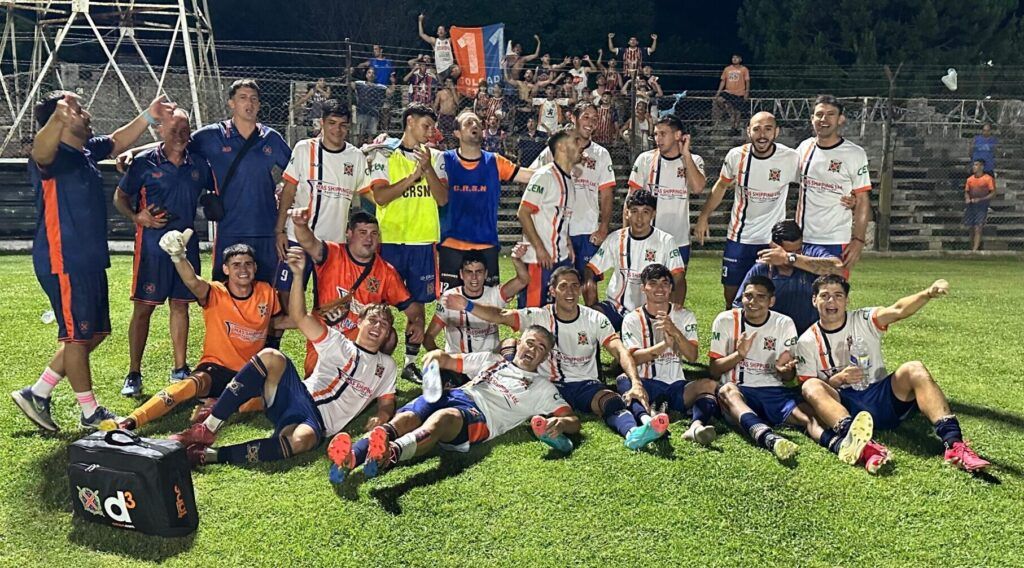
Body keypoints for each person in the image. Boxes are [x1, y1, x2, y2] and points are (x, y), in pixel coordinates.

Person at [11, 91, 175, 432]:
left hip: (89, 259)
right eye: (79, 109)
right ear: (60, 118)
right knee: (76, 337)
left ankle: (37, 392)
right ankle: (90, 412)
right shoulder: (51, 156)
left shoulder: (84, 151)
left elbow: (117, 140)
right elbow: (39, 150)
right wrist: (57, 117)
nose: (87, 114)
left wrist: (150, 114)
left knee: (95, 333)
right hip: (64, 259)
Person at [169, 248, 398, 467]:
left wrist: (381, 415)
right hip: (296, 395)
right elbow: (299, 316)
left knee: (300, 441)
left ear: (388, 333)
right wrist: (298, 276)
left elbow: (387, 403)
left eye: (384, 325)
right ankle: (207, 428)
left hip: (317, 422)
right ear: (359, 322)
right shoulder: (337, 342)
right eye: (373, 321)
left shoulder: (387, 366)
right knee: (271, 356)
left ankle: (208, 456)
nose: (377, 327)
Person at [445, 266, 666, 451]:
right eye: (563, 286)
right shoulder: (540, 315)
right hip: (547, 384)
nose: (570, 291)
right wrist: (467, 305)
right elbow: (501, 316)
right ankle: (545, 424)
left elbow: (619, 351)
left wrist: (635, 382)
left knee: (609, 400)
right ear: (552, 291)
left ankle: (633, 433)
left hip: (584, 385)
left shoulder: (594, 319)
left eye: (575, 286)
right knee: (509, 344)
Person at [326, 325, 577, 482]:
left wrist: (561, 424)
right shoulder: (492, 360)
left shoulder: (542, 388)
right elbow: (445, 359)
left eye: (541, 348)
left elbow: (572, 420)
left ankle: (389, 453)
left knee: (443, 418)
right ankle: (350, 459)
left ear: (545, 357)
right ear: (519, 342)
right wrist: (433, 360)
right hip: (456, 395)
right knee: (406, 418)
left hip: (480, 417)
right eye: (530, 342)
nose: (532, 350)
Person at [796, 274, 990, 473]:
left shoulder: (864, 319)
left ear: (847, 300)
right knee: (810, 385)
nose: (831, 301)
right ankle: (861, 443)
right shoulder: (806, 341)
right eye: (825, 295)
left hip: (881, 397)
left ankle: (954, 444)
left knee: (914, 368)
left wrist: (928, 293)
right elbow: (811, 393)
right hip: (845, 406)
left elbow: (898, 310)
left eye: (838, 295)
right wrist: (837, 379)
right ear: (814, 300)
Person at [101, 238, 285, 432]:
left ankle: (218, 405)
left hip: (249, 370)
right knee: (191, 384)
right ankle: (130, 421)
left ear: (255, 267)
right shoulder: (216, 292)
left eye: (248, 264)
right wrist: (178, 256)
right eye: (236, 265)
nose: (243, 269)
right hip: (216, 367)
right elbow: (192, 281)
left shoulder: (266, 292)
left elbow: (279, 321)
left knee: (269, 397)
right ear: (226, 269)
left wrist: (306, 318)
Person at [113, 108, 212, 396]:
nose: (180, 136)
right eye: (173, 131)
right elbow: (120, 196)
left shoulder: (199, 163)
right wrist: (136, 216)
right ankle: (134, 372)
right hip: (151, 248)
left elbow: (215, 189)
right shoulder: (144, 162)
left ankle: (180, 369)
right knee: (143, 308)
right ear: (160, 130)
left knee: (181, 305)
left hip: (185, 246)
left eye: (185, 131)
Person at [711, 276, 835, 461]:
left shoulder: (784, 323)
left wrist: (784, 370)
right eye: (748, 296)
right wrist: (739, 354)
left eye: (761, 297)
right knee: (727, 390)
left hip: (774, 392)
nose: (753, 302)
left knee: (809, 418)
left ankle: (838, 444)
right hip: (740, 391)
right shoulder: (726, 320)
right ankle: (769, 438)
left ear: (771, 301)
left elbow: (789, 377)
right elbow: (714, 370)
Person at [368, 103, 446, 381]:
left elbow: (442, 198)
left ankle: (410, 364)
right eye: (426, 125)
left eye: (433, 127)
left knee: (418, 306)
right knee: (379, 306)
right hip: (390, 240)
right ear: (410, 121)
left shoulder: (436, 157)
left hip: (422, 241)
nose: (431, 132)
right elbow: (381, 197)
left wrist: (427, 169)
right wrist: (413, 177)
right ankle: (373, 364)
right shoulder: (384, 154)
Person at [290, 209, 418, 377]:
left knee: (389, 336)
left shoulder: (386, 272)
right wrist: (301, 225)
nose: (369, 239)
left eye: (374, 233)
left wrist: (417, 321)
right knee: (316, 381)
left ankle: (370, 379)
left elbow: (412, 308)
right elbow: (309, 242)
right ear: (349, 233)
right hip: (324, 335)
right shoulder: (332, 253)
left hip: (359, 337)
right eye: (363, 233)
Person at [694, 111, 799, 307]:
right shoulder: (737, 156)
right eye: (757, 129)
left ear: (776, 132)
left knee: (770, 295)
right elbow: (721, 185)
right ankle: (732, 322)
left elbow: (811, 185)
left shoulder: (791, 158)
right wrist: (703, 216)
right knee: (732, 295)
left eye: (768, 129)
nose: (762, 135)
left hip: (771, 240)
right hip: (739, 237)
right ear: (748, 131)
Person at [273, 100, 369, 296]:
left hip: (333, 244)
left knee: (329, 301)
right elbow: (289, 191)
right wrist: (280, 230)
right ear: (322, 123)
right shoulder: (304, 149)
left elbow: (371, 194)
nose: (337, 130)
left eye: (343, 125)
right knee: (285, 295)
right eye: (332, 123)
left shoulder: (356, 156)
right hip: (298, 238)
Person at [619, 264, 721, 446]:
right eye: (653, 283)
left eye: (665, 283)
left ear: (671, 288)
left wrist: (675, 331)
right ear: (643, 288)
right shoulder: (632, 319)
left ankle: (696, 427)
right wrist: (664, 345)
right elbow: (633, 358)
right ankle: (648, 420)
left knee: (710, 385)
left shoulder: (684, 315)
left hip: (676, 385)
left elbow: (692, 356)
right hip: (647, 383)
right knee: (623, 380)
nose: (659, 288)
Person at [435, 111, 534, 292]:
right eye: (468, 123)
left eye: (478, 123)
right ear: (457, 133)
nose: (475, 125)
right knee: (450, 304)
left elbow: (529, 176)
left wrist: (560, 166)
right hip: (451, 245)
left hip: (486, 244)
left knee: (488, 304)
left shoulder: (494, 161)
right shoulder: (444, 159)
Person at [530, 102, 616, 280]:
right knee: (557, 283)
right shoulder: (556, 149)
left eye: (595, 119)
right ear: (574, 118)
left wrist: (603, 227)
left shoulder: (601, 154)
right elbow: (531, 176)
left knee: (589, 283)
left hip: (587, 229)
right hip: (557, 229)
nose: (591, 122)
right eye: (586, 117)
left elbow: (607, 193)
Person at [627, 115, 706, 306]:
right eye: (655, 134)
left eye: (663, 134)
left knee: (676, 285)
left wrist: (686, 155)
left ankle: (674, 319)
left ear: (678, 135)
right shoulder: (645, 160)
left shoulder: (694, 160)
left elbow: (697, 188)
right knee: (647, 288)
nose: (658, 139)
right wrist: (627, 234)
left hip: (679, 238)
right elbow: (631, 199)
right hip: (648, 238)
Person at [584, 189, 685, 331]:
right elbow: (590, 269)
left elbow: (678, 277)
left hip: (650, 310)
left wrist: (672, 310)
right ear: (627, 213)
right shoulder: (615, 238)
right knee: (593, 319)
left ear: (653, 214)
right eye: (634, 211)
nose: (639, 218)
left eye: (645, 212)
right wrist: (591, 299)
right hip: (616, 307)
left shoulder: (665, 241)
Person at [795, 95, 871, 273]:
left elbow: (862, 199)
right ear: (812, 119)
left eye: (831, 114)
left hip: (835, 239)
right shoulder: (804, 148)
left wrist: (858, 240)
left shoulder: (855, 153)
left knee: (832, 289)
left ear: (840, 119)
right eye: (819, 114)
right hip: (801, 238)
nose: (824, 119)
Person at [733, 220, 843, 334]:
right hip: (775, 335)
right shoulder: (762, 269)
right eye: (789, 251)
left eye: (798, 251)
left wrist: (788, 258)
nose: (796, 254)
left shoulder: (811, 253)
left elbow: (838, 267)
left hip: (811, 333)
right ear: (773, 247)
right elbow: (739, 306)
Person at [517, 127, 581, 307]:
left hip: (560, 257)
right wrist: (539, 248)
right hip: (539, 260)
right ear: (561, 146)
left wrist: (568, 243)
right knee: (534, 312)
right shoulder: (544, 176)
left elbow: (561, 218)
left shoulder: (569, 180)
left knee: (558, 311)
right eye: (575, 141)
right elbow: (523, 212)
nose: (581, 145)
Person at [963, 159, 996, 252]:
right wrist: (967, 198)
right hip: (971, 205)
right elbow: (966, 192)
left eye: (976, 165)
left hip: (982, 206)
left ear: (981, 167)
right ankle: (972, 247)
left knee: (978, 227)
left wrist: (981, 199)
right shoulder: (970, 179)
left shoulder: (988, 179)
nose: (974, 167)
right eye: (974, 165)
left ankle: (975, 249)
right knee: (971, 228)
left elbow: (993, 193)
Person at [715, 54, 750, 134]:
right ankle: (726, 113)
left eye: (736, 58)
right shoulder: (727, 69)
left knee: (738, 111)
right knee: (720, 100)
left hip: (739, 93)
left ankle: (735, 128)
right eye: (733, 57)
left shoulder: (744, 69)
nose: (734, 59)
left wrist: (746, 92)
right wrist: (718, 93)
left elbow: (747, 81)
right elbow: (723, 81)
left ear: (740, 59)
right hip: (728, 92)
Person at [352, 68, 388, 142]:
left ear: (375, 76)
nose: (371, 75)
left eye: (373, 73)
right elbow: (350, 85)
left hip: (374, 113)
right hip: (361, 112)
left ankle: (369, 148)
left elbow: (389, 93)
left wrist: (392, 82)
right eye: (369, 72)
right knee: (360, 134)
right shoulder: (360, 83)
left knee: (371, 135)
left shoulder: (379, 86)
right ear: (366, 75)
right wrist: (350, 74)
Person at [417, 14, 455, 81]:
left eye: (442, 30)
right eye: (439, 30)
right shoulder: (435, 41)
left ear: (445, 32)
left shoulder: (449, 40)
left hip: (450, 66)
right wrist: (420, 21)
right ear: (437, 32)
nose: (440, 31)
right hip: (441, 69)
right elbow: (422, 34)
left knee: (457, 70)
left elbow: (459, 36)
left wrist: (455, 29)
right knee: (442, 83)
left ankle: (451, 80)